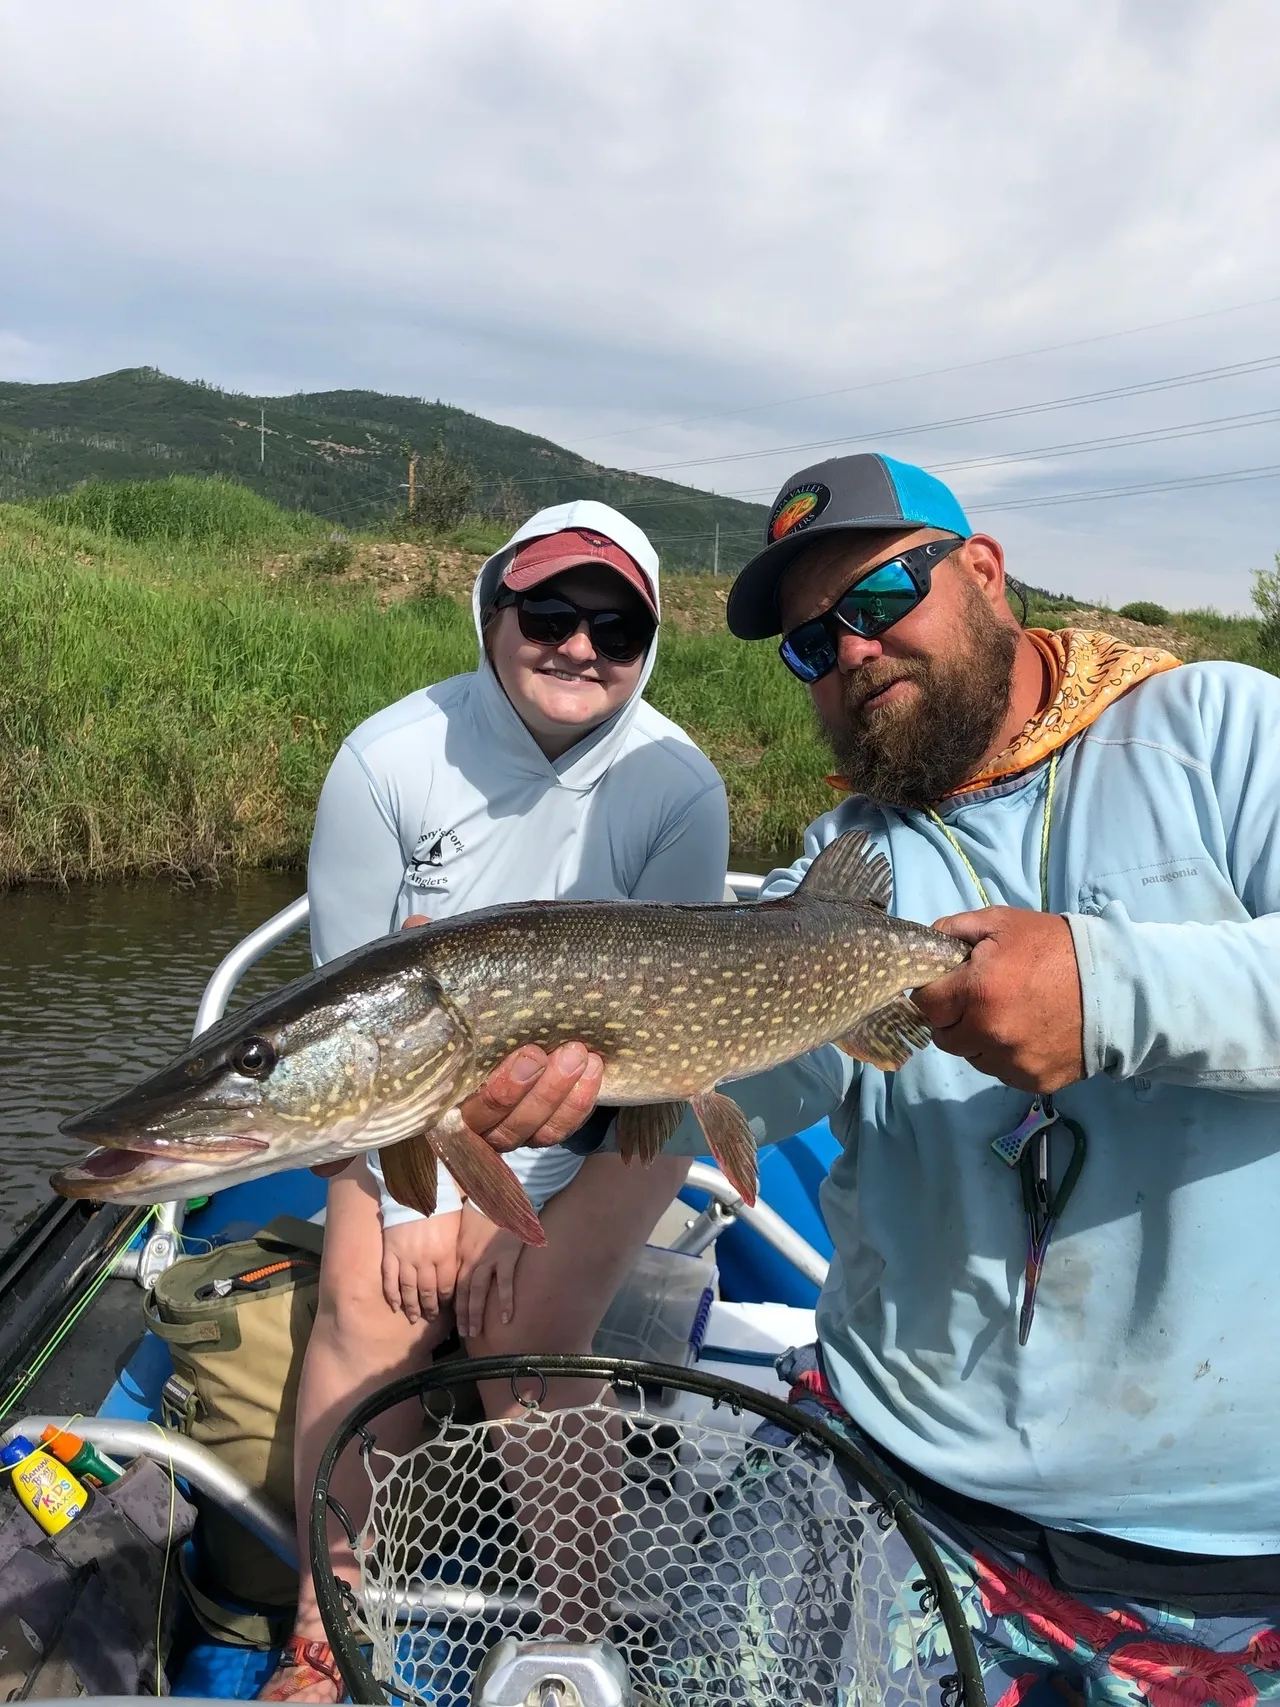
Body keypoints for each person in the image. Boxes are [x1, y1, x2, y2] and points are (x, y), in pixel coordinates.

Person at [465, 453, 1280, 1707]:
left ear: (985, 573)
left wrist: (1107, 989)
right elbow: (777, 1085)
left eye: (882, 593)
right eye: (807, 647)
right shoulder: (846, 858)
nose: (847, 651)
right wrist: (602, 1097)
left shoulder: (1218, 732)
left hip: (1224, 1536)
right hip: (887, 1466)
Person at [259, 500, 729, 1702]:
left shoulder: (676, 785)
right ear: (493, 611)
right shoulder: (388, 757)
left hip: (621, 1108)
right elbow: (352, 1033)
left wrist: (503, 1208)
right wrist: (418, 1207)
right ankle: (325, 1620)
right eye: (550, 614)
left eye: (615, 627)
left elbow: (665, 1052)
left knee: (526, 1328)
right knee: (369, 1319)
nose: (579, 646)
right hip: (409, 1106)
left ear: (648, 643)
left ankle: (573, 1630)